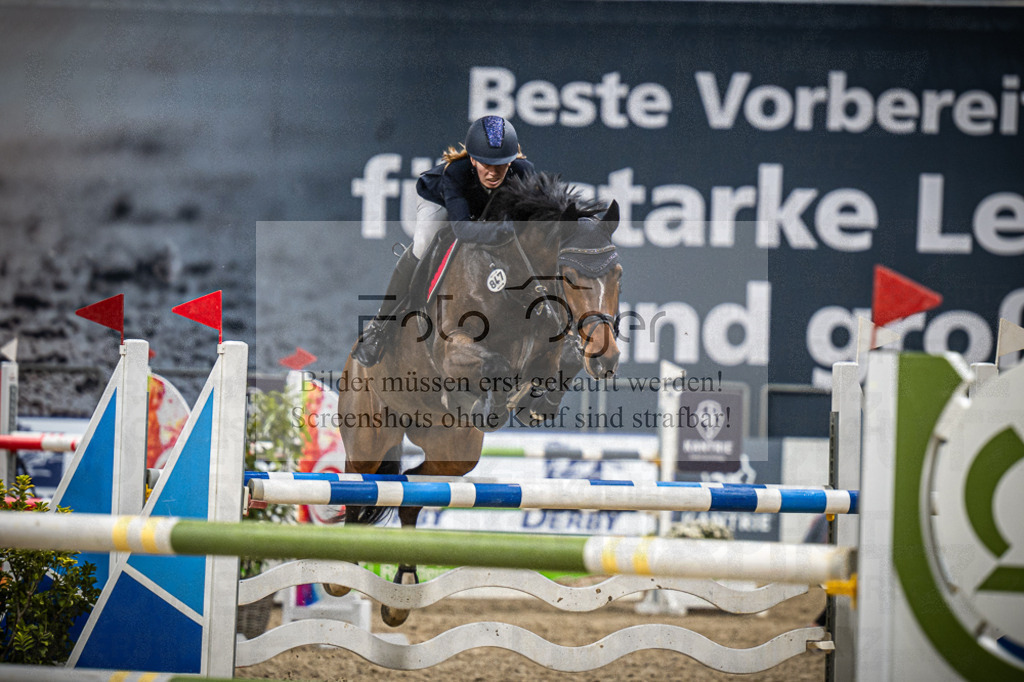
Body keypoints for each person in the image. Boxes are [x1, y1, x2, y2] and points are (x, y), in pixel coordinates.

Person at [352, 115, 536, 367]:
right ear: (472, 159)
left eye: (501, 165)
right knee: (424, 243)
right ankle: (380, 326)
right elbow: (462, 229)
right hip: (439, 201)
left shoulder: (524, 173)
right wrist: (501, 231)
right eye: (485, 164)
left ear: (513, 161)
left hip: (485, 211)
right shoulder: (456, 173)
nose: (493, 172)